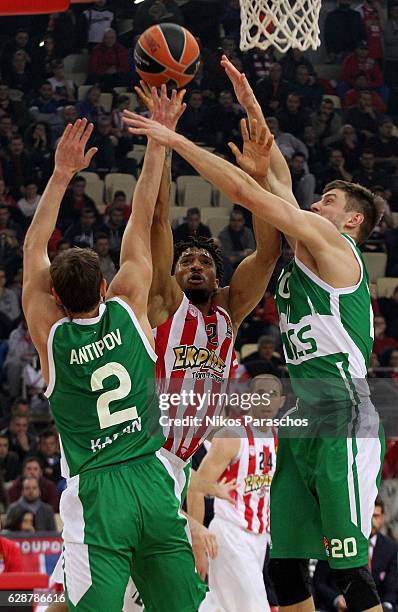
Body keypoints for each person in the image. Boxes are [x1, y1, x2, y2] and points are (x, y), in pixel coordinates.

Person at [123, 54, 386, 612]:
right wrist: (250, 104)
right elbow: (277, 182)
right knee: (287, 568)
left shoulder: (334, 247)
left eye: (328, 202)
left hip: (340, 404)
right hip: (299, 409)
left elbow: (257, 198)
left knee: (349, 570)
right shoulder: (308, 241)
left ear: (351, 221)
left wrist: (176, 144)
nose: (315, 205)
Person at [22, 116, 205, 610]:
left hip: (99, 493)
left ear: (56, 297)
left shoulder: (51, 335)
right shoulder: (129, 305)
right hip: (151, 474)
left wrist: (62, 173)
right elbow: (141, 216)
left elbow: (32, 250)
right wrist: (157, 141)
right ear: (105, 286)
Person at [189, 374, 282, 612]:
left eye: (272, 395)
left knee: (219, 605)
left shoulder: (278, 435)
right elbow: (195, 487)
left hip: (260, 539)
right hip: (231, 535)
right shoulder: (232, 436)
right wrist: (197, 542)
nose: (266, 400)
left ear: (281, 401)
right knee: (255, 607)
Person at [313, 497, 398, 612]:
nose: (371, 521)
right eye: (368, 516)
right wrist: (336, 599)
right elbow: (319, 582)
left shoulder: (390, 548)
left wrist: (385, 607)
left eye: (375, 516)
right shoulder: (338, 541)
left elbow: (391, 588)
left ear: (382, 518)